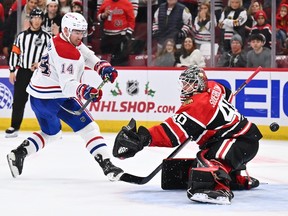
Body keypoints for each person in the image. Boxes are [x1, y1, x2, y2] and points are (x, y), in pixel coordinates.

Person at [113, 65, 262, 205]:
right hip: (241, 139)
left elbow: (171, 133)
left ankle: (220, 190)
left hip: (238, 140)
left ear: (198, 84)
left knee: (210, 160)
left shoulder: (197, 105)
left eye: (188, 84)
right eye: (183, 84)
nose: (184, 88)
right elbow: (227, 94)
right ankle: (239, 179)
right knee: (201, 161)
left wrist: (143, 138)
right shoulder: (213, 86)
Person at [6, 12, 124, 182]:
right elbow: (67, 86)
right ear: (67, 30)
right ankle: (107, 166)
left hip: (38, 97)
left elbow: (86, 53)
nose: (80, 36)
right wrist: (85, 90)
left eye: (82, 32)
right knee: (89, 129)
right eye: (77, 32)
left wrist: (101, 67)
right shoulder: (66, 52)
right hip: (56, 98)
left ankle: (19, 153)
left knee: (52, 133)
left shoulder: (60, 38)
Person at [5, 8, 51, 138]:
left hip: (40, 74)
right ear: (30, 19)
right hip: (23, 72)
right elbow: (15, 53)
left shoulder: (47, 37)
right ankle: (14, 126)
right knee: (19, 100)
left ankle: (49, 127)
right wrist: (12, 70)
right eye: (34, 18)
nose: (37, 21)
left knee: (43, 101)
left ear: (42, 20)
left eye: (39, 18)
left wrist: (40, 64)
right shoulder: (21, 37)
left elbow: (51, 56)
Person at [96, 0, 135, 66]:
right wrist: (104, 15)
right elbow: (98, 17)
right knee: (106, 60)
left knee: (120, 61)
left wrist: (128, 34)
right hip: (107, 36)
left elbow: (131, 19)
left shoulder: (126, 3)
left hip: (121, 36)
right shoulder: (105, 2)